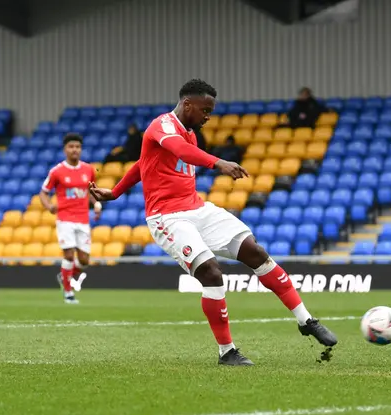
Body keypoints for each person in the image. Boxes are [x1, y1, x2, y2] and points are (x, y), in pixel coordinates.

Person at [89, 79, 337, 365]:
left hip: (197, 208)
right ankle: (227, 351)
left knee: (255, 252)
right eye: (205, 110)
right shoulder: (163, 126)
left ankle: (306, 320)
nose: (208, 116)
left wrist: (116, 191)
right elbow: (176, 154)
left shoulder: (190, 133)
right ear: (187, 104)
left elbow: (144, 163)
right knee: (211, 272)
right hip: (167, 217)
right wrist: (218, 163)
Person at [40, 133, 102, 304]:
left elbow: (90, 191)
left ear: (81, 149)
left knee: (84, 261)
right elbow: (43, 192)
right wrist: (49, 206)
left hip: (83, 219)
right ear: (65, 149)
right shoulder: (57, 171)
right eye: (71, 147)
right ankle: (68, 293)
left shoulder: (88, 170)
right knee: (68, 255)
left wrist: (96, 204)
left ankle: (64, 276)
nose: (75, 150)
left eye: (78, 147)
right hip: (65, 218)